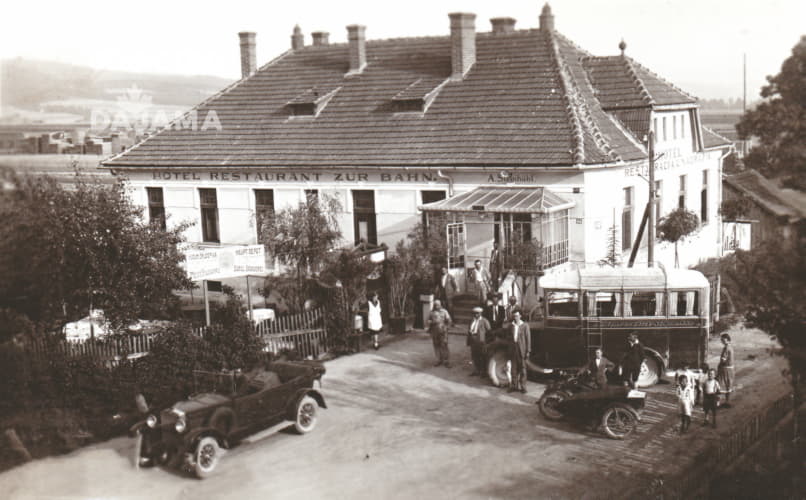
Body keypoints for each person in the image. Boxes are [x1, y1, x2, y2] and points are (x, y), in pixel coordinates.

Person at [508, 309, 531, 393]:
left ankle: (523, 387)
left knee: (523, 369)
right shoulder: (511, 325)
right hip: (513, 349)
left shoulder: (525, 325)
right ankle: (514, 386)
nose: (515, 317)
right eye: (514, 316)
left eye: (517, 316)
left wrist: (528, 350)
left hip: (522, 349)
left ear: (520, 316)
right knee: (513, 369)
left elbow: (528, 339)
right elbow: (508, 337)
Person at [427, 299, 453, 368]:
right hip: (435, 331)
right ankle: (438, 360)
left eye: (437, 305)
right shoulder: (431, 312)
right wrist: (429, 322)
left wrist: (447, 327)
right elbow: (428, 320)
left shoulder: (444, 311)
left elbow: (449, 320)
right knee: (436, 345)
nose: (436, 306)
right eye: (435, 305)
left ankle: (446, 361)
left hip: (443, 331)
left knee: (444, 345)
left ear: (440, 305)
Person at [467, 306, 492, 376]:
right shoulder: (472, 320)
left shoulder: (484, 321)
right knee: (474, 356)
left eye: (477, 313)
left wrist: (486, 340)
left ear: (481, 313)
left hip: (481, 341)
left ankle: (483, 371)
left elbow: (489, 331)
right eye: (474, 313)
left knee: (482, 356)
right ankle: (476, 370)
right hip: (473, 340)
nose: (476, 315)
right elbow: (469, 329)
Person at [717, 333, 735, 408]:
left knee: (720, 384)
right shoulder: (730, 347)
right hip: (731, 369)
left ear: (727, 340)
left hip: (725, 369)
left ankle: (717, 403)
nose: (722, 341)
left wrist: (719, 365)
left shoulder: (726, 348)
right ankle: (727, 401)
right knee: (728, 384)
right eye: (722, 340)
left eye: (723, 340)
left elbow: (723, 360)